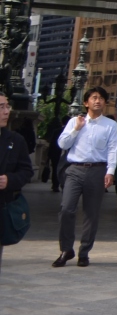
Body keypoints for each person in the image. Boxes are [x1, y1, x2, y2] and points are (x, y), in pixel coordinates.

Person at [54, 86, 117, 267]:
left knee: (91, 213)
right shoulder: (75, 121)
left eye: (101, 98)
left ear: (105, 103)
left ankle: (84, 252)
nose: (97, 101)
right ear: (86, 102)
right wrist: (76, 129)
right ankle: (66, 249)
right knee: (66, 209)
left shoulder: (110, 125)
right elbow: (62, 144)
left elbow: (113, 149)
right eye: (94, 98)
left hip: (97, 170)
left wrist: (111, 171)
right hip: (75, 169)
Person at [0, 92, 35, 276]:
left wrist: (9, 180)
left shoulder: (15, 140)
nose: (7, 111)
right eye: (1, 107)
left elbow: (26, 171)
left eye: (7, 106)